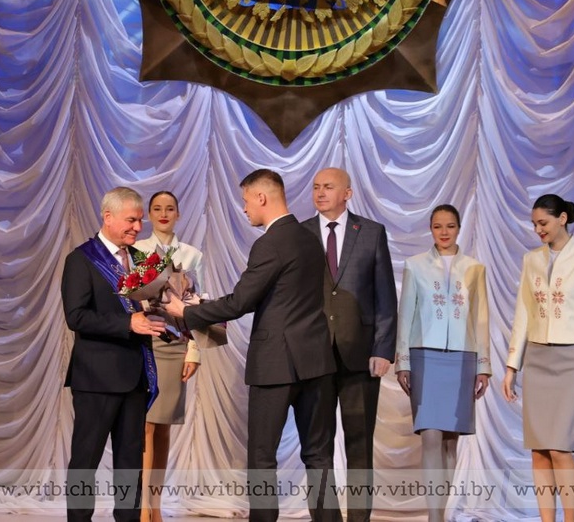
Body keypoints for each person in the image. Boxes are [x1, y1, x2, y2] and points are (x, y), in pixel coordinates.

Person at [163, 169, 339, 522]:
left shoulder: (270, 243)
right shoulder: (311, 238)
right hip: (317, 361)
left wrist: (187, 311)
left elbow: (241, 302)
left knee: (262, 457)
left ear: (261, 198)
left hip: (276, 363)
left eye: (246, 201)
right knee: (319, 456)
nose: (244, 209)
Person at [62, 187, 167, 522]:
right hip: (96, 378)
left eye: (140, 220)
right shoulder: (81, 259)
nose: (138, 227)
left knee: (130, 464)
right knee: (85, 461)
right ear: (108, 217)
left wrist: (179, 314)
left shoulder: (141, 260)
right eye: (131, 220)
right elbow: (76, 317)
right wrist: (128, 323)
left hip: (135, 376)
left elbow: (153, 307)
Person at [501, 194, 574, 522]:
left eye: (543, 223)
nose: (538, 230)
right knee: (540, 451)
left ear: (562, 218)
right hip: (538, 361)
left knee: (560, 448)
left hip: (573, 362)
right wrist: (511, 366)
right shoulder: (531, 259)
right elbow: (523, 313)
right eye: (534, 225)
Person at [303, 167, 396, 522]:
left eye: (328, 187)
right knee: (318, 447)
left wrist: (383, 349)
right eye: (316, 187)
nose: (320, 192)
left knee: (359, 445)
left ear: (347, 193)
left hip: (361, 356)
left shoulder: (371, 232)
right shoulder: (300, 234)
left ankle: (359, 518)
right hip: (314, 356)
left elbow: (385, 296)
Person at [395, 204, 490, 522]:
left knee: (450, 442)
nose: (444, 232)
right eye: (438, 226)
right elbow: (406, 314)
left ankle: (444, 514)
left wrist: (483, 366)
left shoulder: (474, 268)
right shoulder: (415, 265)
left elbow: (481, 319)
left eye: (450, 226)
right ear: (431, 229)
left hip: (462, 359)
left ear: (459, 228)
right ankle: (433, 517)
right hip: (425, 358)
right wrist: (403, 361)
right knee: (431, 436)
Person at [133, 191, 203, 522]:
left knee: (163, 429)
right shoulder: (136, 251)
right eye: (157, 208)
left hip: (175, 346)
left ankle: (156, 506)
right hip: (143, 343)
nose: (163, 213)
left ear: (178, 214)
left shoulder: (192, 255)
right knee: (144, 426)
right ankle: (142, 509)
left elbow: (199, 304)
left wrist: (194, 350)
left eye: (170, 208)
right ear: (148, 214)